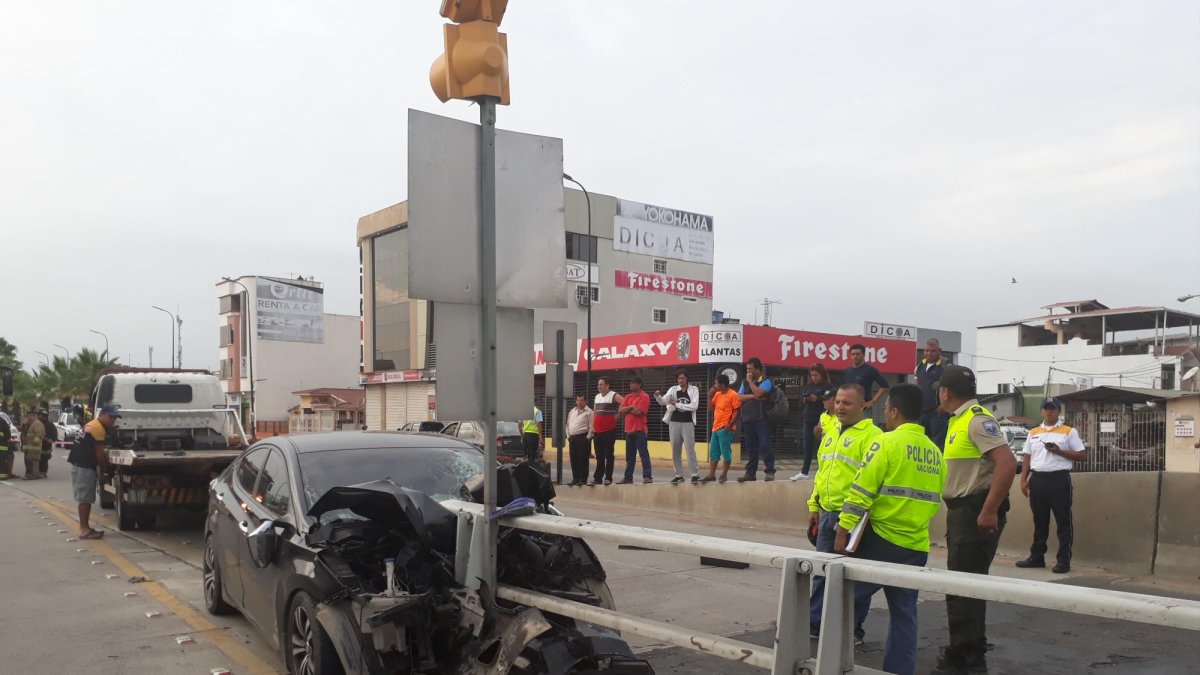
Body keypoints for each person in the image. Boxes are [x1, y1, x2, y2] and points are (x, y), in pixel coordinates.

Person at [835, 384, 947, 675]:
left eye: (885, 410)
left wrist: (843, 528)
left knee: (840, 602)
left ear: (895, 411)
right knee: (904, 615)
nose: (884, 415)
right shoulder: (935, 453)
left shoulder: (885, 443)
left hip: (880, 541)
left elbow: (861, 490)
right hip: (916, 546)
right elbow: (935, 500)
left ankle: (830, 663)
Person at [930, 365, 1017, 675]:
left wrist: (989, 509)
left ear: (945, 392)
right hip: (963, 510)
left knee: (963, 586)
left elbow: (1008, 463)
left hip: (973, 510)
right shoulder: (960, 420)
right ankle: (966, 650)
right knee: (964, 584)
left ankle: (967, 660)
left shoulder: (976, 421)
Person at [807, 383, 882, 641]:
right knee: (821, 571)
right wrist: (814, 506)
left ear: (863, 405)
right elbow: (822, 472)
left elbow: (869, 481)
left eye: (846, 403)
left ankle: (852, 630)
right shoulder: (830, 432)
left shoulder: (872, 436)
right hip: (827, 512)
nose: (839, 407)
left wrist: (848, 520)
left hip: (853, 517)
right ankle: (815, 624)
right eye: (837, 402)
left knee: (852, 576)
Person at [1016, 397, 1086, 574]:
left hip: (1059, 480)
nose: (1049, 412)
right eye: (1046, 409)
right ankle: (1037, 557)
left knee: (1063, 522)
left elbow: (1081, 455)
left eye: (1053, 409)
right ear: (1041, 411)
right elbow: (1027, 457)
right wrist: (1023, 479)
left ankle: (1063, 560)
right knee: (1040, 522)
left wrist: (1059, 451)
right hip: (1038, 479)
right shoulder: (1033, 432)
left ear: (1058, 411)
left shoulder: (1068, 431)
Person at [68, 405, 121, 539]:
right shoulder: (97, 428)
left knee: (85, 498)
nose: (113, 420)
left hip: (81, 463)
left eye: (115, 418)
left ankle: (85, 528)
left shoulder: (92, 424)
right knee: (85, 498)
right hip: (83, 465)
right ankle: (84, 529)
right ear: (102, 414)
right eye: (111, 417)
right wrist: (105, 470)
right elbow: (100, 453)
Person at [655, 370, 701, 484]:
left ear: (687, 379)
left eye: (683, 378)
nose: (681, 380)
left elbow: (694, 406)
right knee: (675, 449)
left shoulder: (694, 390)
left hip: (688, 422)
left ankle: (695, 474)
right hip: (674, 422)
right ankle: (679, 475)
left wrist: (677, 404)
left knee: (690, 448)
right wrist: (658, 396)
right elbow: (664, 401)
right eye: (679, 378)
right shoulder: (673, 389)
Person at [791, 364, 834, 480]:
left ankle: (824, 471)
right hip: (808, 419)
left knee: (823, 447)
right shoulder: (807, 387)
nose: (814, 378)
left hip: (822, 420)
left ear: (822, 375)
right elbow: (800, 400)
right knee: (807, 446)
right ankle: (804, 472)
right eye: (812, 375)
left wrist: (818, 399)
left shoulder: (828, 386)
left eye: (816, 375)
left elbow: (830, 400)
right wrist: (806, 399)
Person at [737, 357, 776, 482]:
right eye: (747, 369)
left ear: (758, 369)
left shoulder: (766, 381)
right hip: (748, 418)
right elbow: (739, 397)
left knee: (765, 445)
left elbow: (760, 393)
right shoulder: (744, 383)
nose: (748, 371)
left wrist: (751, 383)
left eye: (750, 369)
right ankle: (750, 473)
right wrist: (752, 396)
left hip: (761, 418)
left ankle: (769, 471)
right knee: (751, 447)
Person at [702, 374, 741, 483]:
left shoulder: (733, 395)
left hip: (726, 428)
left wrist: (730, 424)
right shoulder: (717, 394)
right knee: (713, 453)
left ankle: (724, 474)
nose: (715, 385)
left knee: (725, 452)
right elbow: (710, 409)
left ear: (722, 384)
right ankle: (711, 475)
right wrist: (710, 396)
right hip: (715, 428)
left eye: (716, 383)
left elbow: (737, 410)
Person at [915, 338, 950, 448]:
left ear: (939, 350)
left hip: (938, 413)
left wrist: (944, 405)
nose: (929, 353)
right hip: (922, 412)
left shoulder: (946, 366)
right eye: (927, 350)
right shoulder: (920, 366)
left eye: (932, 351)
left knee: (938, 445)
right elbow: (917, 385)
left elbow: (951, 386)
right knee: (922, 444)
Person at [617, 377, 652, 484]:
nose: (631, 385)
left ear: (639, 385)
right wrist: (632, 406)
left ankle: (647, 476)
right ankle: (628, 478)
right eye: (630, 383)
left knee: (643, 454)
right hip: (629, 430)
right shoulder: (628, 397)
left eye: (633, 383)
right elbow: (620, 411)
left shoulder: (644, 397)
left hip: (640, 430)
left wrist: (628, 409)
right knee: (629, 456)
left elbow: (639, 412)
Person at [590, 377, 623, 486]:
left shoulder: (614, 395)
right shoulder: (597, 397)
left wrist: (618, 415)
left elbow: (625, 403)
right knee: (599, 456)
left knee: (609, 455)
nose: (599, 386)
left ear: (607, 386)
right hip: (598, 431)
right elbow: (595, 412)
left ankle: (608, 478)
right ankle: (598, 478)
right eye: (598, 384)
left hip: (609, 430)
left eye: (601, 384)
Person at [843, 344, 890, 410]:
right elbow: (843, 389)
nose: (855, 356)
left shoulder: (870, 370)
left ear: (864, 355)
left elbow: (885, 387)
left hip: (863, 409)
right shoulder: (847, 371)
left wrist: (873, 401)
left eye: (858, 354)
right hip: (848, 408)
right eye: (853, 354)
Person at [565, 394, 593, 486]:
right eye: (578, 400)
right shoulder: (572, 411)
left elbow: (591, 427)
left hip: (583, 438)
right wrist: (568, 436)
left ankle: (583, 479)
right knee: (573, 459)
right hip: (572, 438)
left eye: (581, 400)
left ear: (585, 401)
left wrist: (587, 438)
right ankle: (575, 479)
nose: (579, 402)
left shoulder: (589, 412)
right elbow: (568, 424)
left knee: (583, 459)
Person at [21, 409, 46, 480]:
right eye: (28, 416)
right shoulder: (27, 424)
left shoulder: (37, 423)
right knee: (28, 461)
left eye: (31, 416)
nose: (29, 418)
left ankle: (33, 475)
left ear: (35, 416)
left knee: (33, 461)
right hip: (28, 447)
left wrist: (36, 441)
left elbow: (40, 434)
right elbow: (24, 434)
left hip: (34, 447)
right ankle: (28, 474)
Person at [38, 408, 56, 478]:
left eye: (39, 415)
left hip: (46, 447)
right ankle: (37, 472)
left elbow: (53, 438)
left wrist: (44, 438)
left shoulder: (50, 425)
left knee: (44, 460)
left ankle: (43, 472)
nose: (38, 417)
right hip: (37, 447)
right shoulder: (37, 424)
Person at [0, 412, 13, 480]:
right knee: (2, 462)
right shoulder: (3, 422)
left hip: (2, 448)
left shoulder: (3, 422)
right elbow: (8, 437)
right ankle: (3, 476)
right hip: (3, 449)